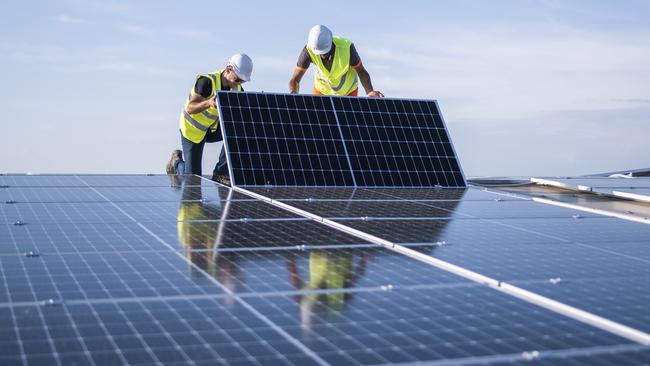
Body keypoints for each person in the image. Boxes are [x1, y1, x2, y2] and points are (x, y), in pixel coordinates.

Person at [167, 53, 253, 186]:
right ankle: (176, 163)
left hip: (211, 129)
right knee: (193, 180)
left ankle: (220, 173)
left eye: (242, 81)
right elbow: (190, 107)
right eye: (237, 79)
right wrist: (208, 103)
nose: (239, 83)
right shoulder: (206, 82)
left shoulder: (237, 90)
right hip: (193, 131)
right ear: (228, 69)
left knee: (238, 129)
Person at [289, 25, 384, 97]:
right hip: (321, 90)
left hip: (348, 92)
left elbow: (361, 71)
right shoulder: (308, 51)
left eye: (326, 52)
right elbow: (295, 79)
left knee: (346, 122)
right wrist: (293, 95)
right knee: (317, 121)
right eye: (320, 53)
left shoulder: (347, 48)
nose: (323, 56)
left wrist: (370, 91)